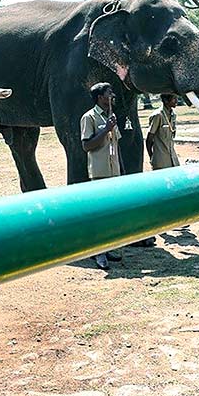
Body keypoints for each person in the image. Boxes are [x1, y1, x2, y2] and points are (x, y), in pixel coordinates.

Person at [80, 82, 124, 271]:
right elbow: (87, 145)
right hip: (99, 173)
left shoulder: (111, 117)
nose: (112, 95)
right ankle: (98, 253)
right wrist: (105, 129)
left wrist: (121, 169)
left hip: (113, 172)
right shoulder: (88, 117)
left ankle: (107, 248)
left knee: (111, 214)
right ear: (100, 97)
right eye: (109, 93)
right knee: (99, 214)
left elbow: (116, 144)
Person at [146, 94, 180, 170]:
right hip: (161, 161)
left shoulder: (173, 115)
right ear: (166, 100)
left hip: (173, 160)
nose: (177, 101)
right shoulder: (158, 115)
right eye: (174, 98)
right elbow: (149, 139)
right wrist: (152, 157)